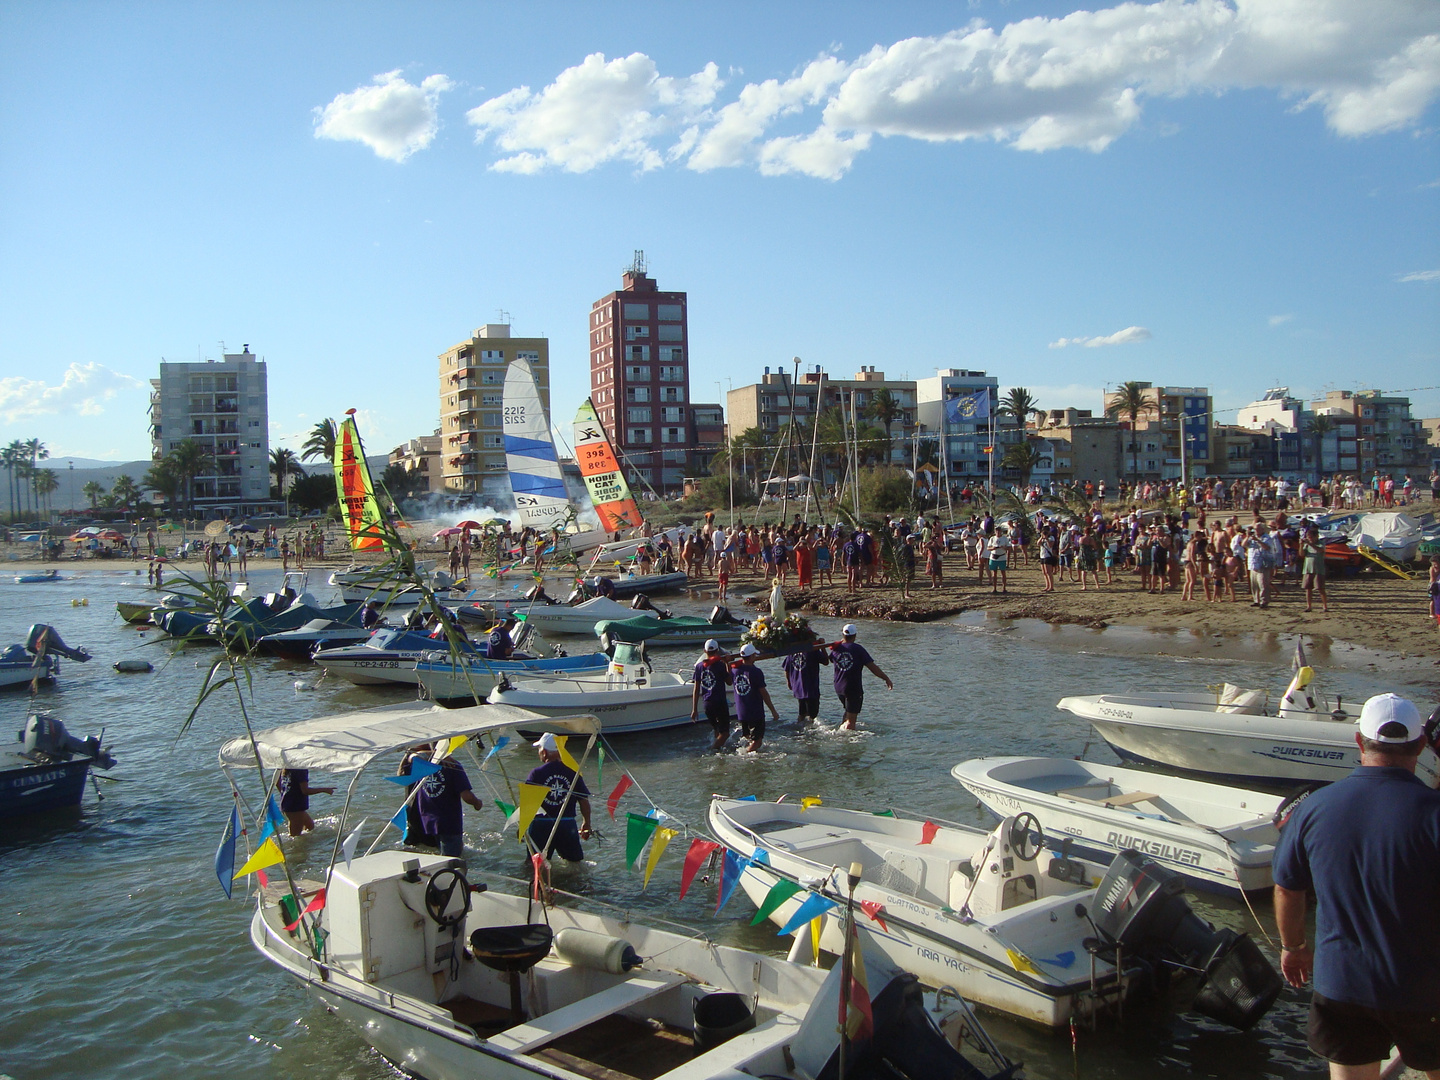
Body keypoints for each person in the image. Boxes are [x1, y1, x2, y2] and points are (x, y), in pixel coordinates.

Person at [1273, 694, 1440, 1079]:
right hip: (1422, 990)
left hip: (1342, 987)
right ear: (1419, 745)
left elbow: (1287, 887)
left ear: (1359, 742)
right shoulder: (1434, 813)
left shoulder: (1313, 809)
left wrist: (1293, 948)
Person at [524, 733, 593, 862]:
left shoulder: (536, 773)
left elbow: (528, 803)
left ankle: (536, 882)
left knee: (534, 864)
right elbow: (584, 801)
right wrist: (586, 824)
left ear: (544, 752)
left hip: (541, 825)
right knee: (575, 865)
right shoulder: (572, 772)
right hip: (566, 824)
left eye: (539, 749)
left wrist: (522, 827)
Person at [415, 752, 484, 858]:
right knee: (452, 862)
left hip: (427, 821)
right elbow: (467, 796)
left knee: (439, 857)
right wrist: (477, 803)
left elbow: (410, 756)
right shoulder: (452, 765)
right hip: (449, 823)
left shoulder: (421, 762)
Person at [828, 624, 893, 730]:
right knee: (851, 721)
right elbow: (872, 667)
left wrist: (841, 644)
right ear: (855, 635)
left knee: (848, 711)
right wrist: (886, 678)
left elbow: (830, 659)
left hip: (839, 688)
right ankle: (847, 740)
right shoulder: (858, 649)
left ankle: (842, 728)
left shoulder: (836, 649)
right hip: (852, 688)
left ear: (843, 635)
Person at [729, 642, 778, 752]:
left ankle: (747, 751)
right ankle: (745, 755)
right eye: (754, 655)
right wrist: (773, 711)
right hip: (755, 711)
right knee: (757, 741)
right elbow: (764, 693)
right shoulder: (756, 672)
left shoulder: (734, 670)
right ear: (751, 656)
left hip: (741, 711)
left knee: (748, 737)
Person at [690, 639, 734, 750]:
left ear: (704, 651)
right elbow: (729, 682)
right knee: (725, 734)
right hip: (719, 702)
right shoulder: (720, 665)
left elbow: (696, 689)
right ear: (717, 650)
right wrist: (727, 664)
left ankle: (719, 752)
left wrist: (694, 709)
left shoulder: (699, 666)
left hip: (707, 704)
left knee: (717, 730)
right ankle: (713, 750)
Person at [782, 640, 830, 725]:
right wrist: (822, 646)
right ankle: (809, 733)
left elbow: (786, 668)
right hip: (810, 687)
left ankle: (800, 729)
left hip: (798, 687)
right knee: (812, 715)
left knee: (802, 713)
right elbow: (826, 661)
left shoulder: (792, 650)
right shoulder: (812, 650)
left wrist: (789, 682)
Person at [277, 768, 334, 837]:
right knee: (295, 836)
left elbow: (277, 782)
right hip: (295, 806)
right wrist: (324, 790)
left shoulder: (286, 767)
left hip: (287, 803)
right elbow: (305, 791)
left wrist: (285, 794)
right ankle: (295, 847)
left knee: (310, 826)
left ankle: (307, 845)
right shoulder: (301, 770)